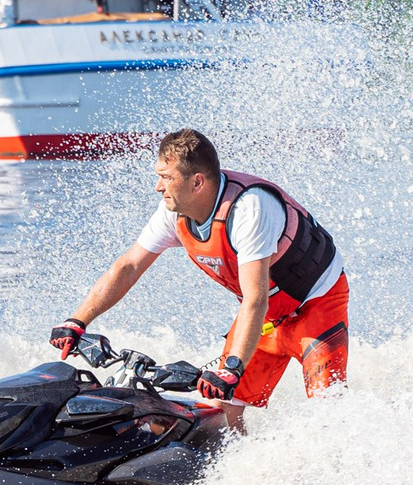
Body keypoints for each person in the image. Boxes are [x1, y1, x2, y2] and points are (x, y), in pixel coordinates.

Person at [51, 128, 349, 407]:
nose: (158, 187)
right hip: (267, 315)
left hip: (316, 306)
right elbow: (128, 266)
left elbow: (255, 297)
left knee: (326, 409)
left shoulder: (249, 209)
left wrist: (232, 368)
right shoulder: (173, 212)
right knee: (226, 409)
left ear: (196, 182)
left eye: (166, 177)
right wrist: (77, 321)